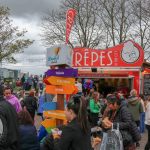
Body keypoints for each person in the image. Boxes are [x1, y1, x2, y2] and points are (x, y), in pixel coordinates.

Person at [0, 85, 19, 150]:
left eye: (9, 93)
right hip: (13, 142)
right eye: (6, 93)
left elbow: (2, 134)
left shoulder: (2, 107)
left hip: (7, 145)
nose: (8, 95)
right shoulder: (8, 104)